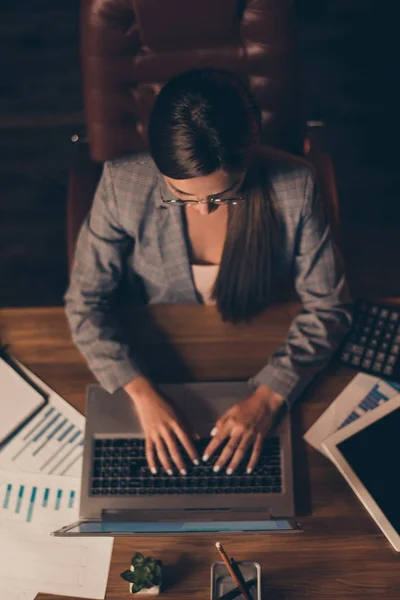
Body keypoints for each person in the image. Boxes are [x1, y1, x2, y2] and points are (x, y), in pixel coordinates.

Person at [65, 68, 352, 478]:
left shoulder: (295, 186)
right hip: (160, 349)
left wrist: (269, 398)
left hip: (255, 340)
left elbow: (330, 308)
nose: (204, 209)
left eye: (222, 194)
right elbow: (85, 302)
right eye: (181, 194)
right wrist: (140, 392)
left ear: (246, 160)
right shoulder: (122, 184)